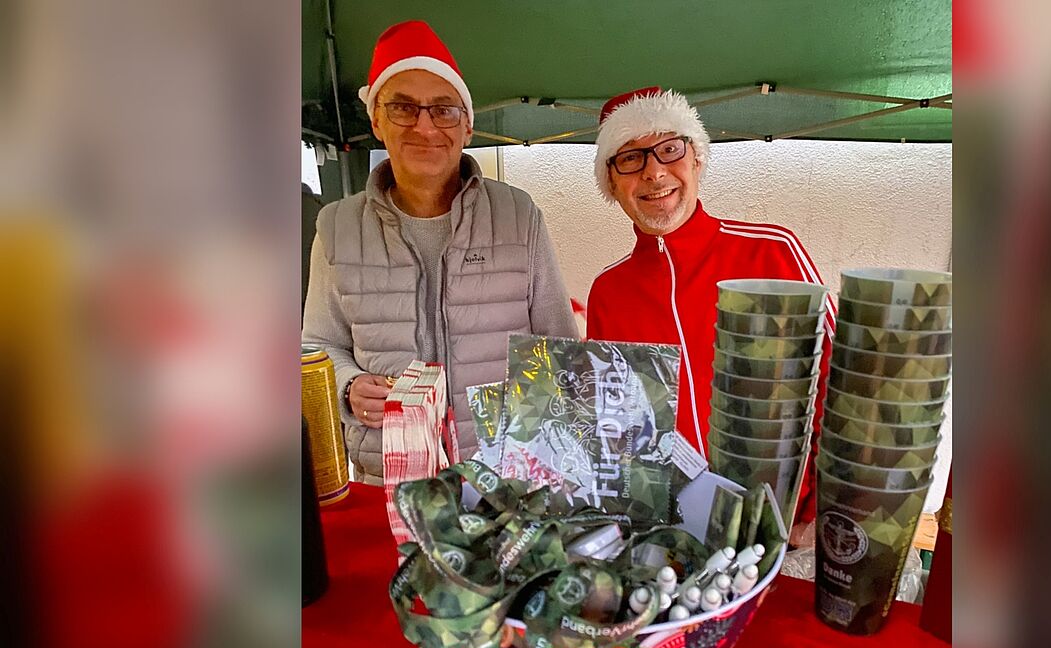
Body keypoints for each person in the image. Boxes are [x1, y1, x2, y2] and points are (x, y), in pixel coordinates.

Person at [303, 20, 577, 485]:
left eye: (444, 110)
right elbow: (317, 347)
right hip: (390, 477)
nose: (425, 127)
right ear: (377, 121)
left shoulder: (516, 213)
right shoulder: (337, 226)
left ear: (467, 125)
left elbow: (559, 344)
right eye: (404, 108)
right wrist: (349, 386)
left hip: (503, 476)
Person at [585, 87, 835, 527]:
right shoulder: (608, 292)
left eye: (669, 149)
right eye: (630, 158)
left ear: (697, 158)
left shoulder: (772, 252)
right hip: (671, 532)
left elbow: (841, 383)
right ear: (612, 182)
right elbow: (616, 427)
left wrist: (813, 511)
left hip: (787, 521)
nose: (653, 172)